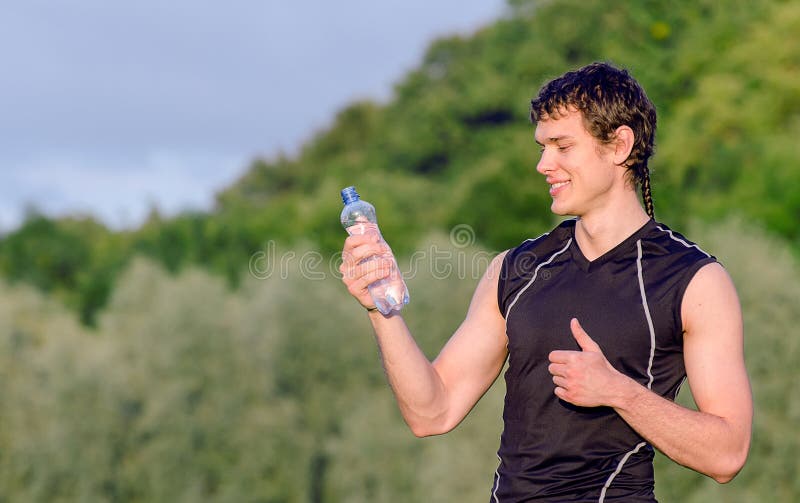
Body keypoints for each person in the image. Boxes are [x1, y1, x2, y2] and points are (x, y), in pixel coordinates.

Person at [339, 62, 752, 502]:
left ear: (619, 144)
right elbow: (432, 412)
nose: (543, 164)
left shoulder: (693, 280)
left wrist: (618, 392)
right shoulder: (516, 268)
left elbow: (727, 454)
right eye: (541, 147)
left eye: (561, 146)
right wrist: (380, 309)